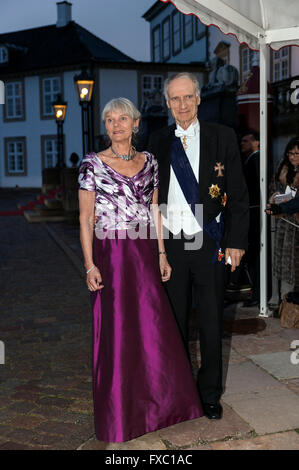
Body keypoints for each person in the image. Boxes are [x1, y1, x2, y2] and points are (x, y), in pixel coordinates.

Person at [78, 97, 203, 443]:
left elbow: (154, 211)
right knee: (118, 334)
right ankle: (122, 416)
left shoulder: (149, 162)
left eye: (122, 119)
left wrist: (162, 254)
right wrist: (89, 265)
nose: (115, 125)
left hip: (144, 252)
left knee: (153, 329)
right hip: (112, 255)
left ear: (135, 124)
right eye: (109, 120)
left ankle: (163, 408)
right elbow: (86, 218)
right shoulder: (92, 164)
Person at [147, 72, 249, 420]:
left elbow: (237, 194)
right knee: (173, 323)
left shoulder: (222, 136)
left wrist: (236, 242)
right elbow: (145, 196)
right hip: (172, 245)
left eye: (187, 97)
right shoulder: (157, 141)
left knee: (209, 322)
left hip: (209, 242)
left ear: (199, 99)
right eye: (175, 99)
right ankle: (177, 392)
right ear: (168, 103)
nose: (182, 105)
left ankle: (209, 394)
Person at [268, 137, 299, 297]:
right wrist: (276, 197)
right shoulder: (283, 167)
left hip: (295, 223)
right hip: (284, 223)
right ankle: (283, 300)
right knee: (283, 264)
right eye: (290, 153)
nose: (293, 157)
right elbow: (273, 188)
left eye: (296, 153)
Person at [240, 131, 260, 307]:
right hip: (251, 211)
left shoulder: (256, 160)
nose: (242, 144)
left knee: (254, 254)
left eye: (246, 141)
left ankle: (257, 294)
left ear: (256, 143)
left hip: (254, 213)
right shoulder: (250, 160)